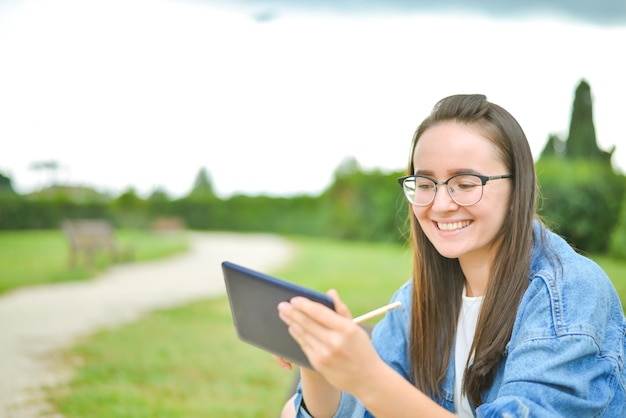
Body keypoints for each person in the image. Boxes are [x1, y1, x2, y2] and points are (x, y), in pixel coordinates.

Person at [276, 94, 626, 417]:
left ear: (519, 186)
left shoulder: (569, 294)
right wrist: (315, 362)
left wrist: (368, 378)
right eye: (425, 184)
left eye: (466, 183)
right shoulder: (417, 300)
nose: (441, 204)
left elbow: (377, 391)